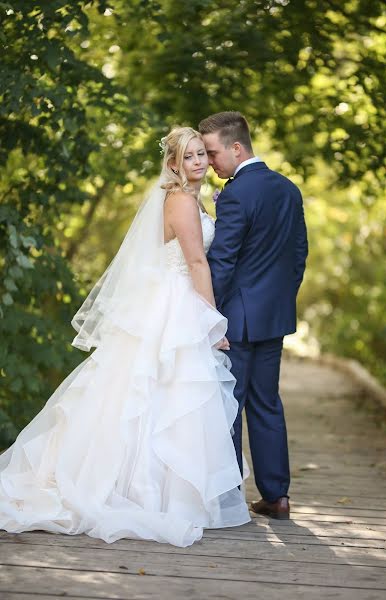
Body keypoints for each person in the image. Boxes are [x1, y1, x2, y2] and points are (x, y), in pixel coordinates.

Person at [0, 126, 251, 547]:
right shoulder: (182, 203)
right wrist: (213, 324)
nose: (199, 162)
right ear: (173, 164)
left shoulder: (186, 199)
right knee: (159, 396)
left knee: (158, 397)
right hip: (177, 306)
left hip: (170, 302)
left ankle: (149, 489)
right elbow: (196, 264)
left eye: (201, 155)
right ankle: (142, 494)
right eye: (188, 157)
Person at [199, 111, 308, 519]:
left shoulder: (237, 194)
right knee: (267, 403)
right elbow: (299, 255)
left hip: (236, 320)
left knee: (230, 404)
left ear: (236, 147)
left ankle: (229, 498)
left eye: (213, 154)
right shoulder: (288, 189)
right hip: (273, 317)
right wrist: (279, 300)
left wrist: (210, 315)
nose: (210, 163)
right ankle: (277, 496)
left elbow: (223, 262)